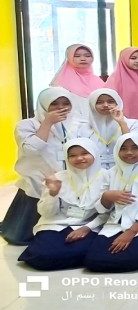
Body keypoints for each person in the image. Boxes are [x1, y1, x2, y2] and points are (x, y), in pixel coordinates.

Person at [4, 88, 83, 245]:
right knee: (27, 225)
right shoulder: (27, 125)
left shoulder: (77, 124)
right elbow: (32, 150)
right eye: (55, 104)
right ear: (44, 104)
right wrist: (47, 122)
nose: (61, 108)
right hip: (38, 178)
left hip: (69, 178)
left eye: (66, 103)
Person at [18, 139, 107, 271]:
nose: (79, 158)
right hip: (56, 224)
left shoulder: (107, 177)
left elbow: (109, 212)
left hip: (88, 226)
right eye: (72, 155)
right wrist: (53, 194)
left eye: (84, 153)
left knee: (91, 251)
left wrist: (86, 228)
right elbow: (47, 213)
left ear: (94, 153)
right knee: (41, 256)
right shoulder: (57, 178)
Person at [83, 133, 138, 272]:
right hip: (115, 224)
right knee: (94, 260)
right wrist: (107, 196)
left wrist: (131, 233)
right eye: (123, 148)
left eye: (135, 148)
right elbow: (103, 209)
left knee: (130, 260)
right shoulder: (112, 172)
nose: (129, 152)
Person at [79, 88, 138, 169]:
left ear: (118, 103)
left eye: (110, 101)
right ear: (92, 105)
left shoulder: (134, 124)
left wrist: (121, 123)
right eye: (99, 102)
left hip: (126, 168)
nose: (105, 105)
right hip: (94, 170)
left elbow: (135, 146)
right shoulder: (83, 128)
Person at [105, 47, 138, 130]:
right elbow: (109, 102)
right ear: (124, 59)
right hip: (121, 123)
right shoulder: (115, 79)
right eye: (133, 58)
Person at [49, 44, 105, 119]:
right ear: (69, 57)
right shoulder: (60, 81)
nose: (83, 59)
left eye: (87, 56)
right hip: (69, 120)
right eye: (77, 56)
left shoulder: (98, 80)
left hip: (97, 119)